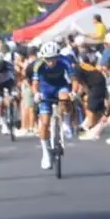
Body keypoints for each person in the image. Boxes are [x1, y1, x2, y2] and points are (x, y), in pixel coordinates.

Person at [32, 41, 75, 170]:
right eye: (48, 59)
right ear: (43, 58)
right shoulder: (38, 64)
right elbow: (34, 83)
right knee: (44, 123)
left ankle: (66, 122)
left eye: (54, 59)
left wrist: (74, 91)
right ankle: (46, 152)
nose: (51, 62)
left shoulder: (65, 61)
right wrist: (36, 94)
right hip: (45, 90)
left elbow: (74, 79)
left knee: (65, 98)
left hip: (60, 87)